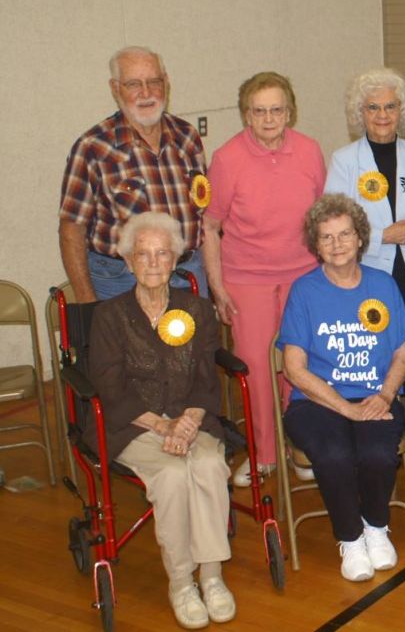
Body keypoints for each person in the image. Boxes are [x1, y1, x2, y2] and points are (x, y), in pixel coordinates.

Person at [85, 212, 235, 628]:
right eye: (142, 254)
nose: (152, 263)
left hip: (191, 418)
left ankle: (212, 575)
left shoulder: (198, 310)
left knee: (206, 464)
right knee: (170, 475)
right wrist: (164, 426)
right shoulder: (110, 316)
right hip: (134, 424)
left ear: (175, 261)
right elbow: (111, 387)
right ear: (128, 262)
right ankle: (182, 583)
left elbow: (207, 374)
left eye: (162, 254)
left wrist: (187, 421)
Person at [276, 194, 405, 582]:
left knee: (377, 452)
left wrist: (386, 395)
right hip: (315, 401)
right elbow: (294, 369)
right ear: (315, 245)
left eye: (344, 234)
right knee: (334, 454)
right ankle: (350, 540)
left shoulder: (383, 285)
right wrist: (346, 408)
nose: (337, 245)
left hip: (374, 394)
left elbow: (402, 355)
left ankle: (375, 527)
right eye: (326, 237)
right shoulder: (304, 291)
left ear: (360, 238)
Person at [201, 71, 326, 487]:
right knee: (256, 368)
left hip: (303, 275)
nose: (269, 118)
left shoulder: (309, 151)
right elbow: (211, 225)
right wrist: (217, 287)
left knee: (299, 364)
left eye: (277, 109)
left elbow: (322, 217)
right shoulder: (226, 158)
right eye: (259, 111)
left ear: (289, 112)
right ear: (245, 115)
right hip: (246, 279)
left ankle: (301, 445)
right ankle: (264, 454)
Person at [327, 67, 405, 469]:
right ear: (361, 112)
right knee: (381, 350)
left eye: (390, 106)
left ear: (402, 110)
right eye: (373, 107)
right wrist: (380, 236)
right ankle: (379, 429)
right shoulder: (344, 162)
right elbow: (335, 227)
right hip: (371, 273)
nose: (382, 115)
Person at [60, 46, 209, 302]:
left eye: (154, 82)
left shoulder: (187, 137)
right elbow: (71, 230)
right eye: (133, 84)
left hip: (187, 273)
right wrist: (87, 303)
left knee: (196, 343)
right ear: (115, 88)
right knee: (127, 344)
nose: (146, 92)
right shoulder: (92, 147)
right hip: (120, 281)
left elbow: (204, 215)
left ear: (167, 83)